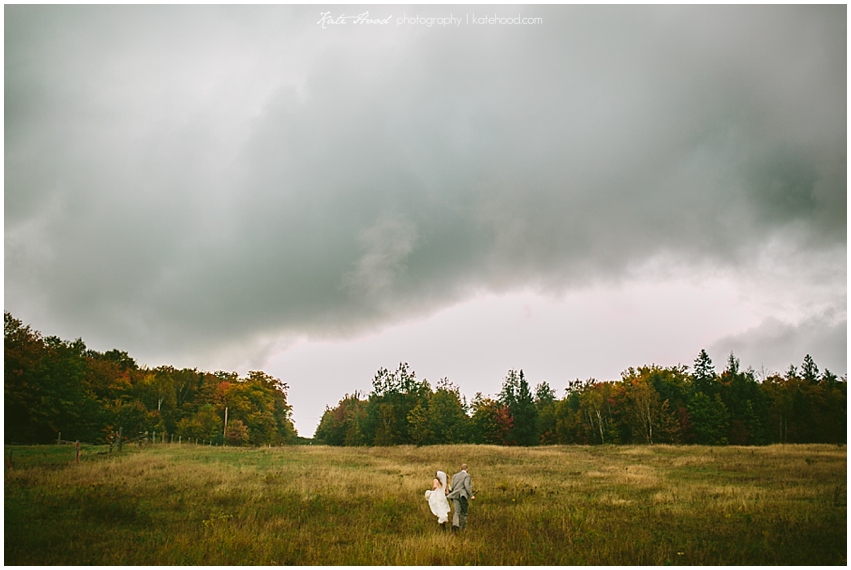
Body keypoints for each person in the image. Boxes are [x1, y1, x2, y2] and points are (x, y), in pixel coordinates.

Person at [447, 463, 474, 532]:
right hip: (462, 495)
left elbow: (452, 486)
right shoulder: (467, 475)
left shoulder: (455, 476)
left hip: (455, 495)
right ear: (467, 469)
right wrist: (471, 495)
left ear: (461, 469)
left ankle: (455, 525)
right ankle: (462, 528)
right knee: (464, 512)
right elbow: (466, 485)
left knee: (457, 511)